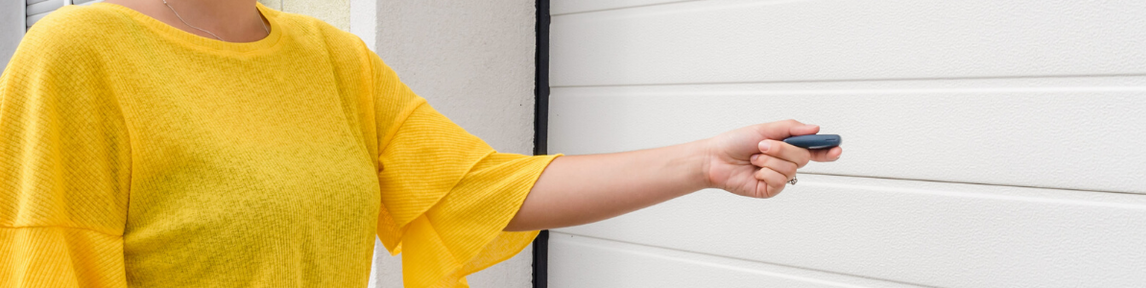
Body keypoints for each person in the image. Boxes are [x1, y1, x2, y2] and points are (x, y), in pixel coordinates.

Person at [0, 0, 844, 287]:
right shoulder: (77, 55)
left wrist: (703, 161)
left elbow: (482, 189)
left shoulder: (329, 59)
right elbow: (50, 269)